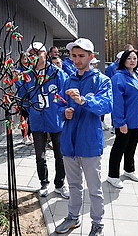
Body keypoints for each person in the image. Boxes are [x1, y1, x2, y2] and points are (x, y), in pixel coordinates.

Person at [55, 38, 113, 236]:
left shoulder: (102, 80)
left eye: (81, 56)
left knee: (94, 188)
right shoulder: (68, 80)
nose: (77, 60)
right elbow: (59, 105)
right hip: (69, 142)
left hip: (89, 142)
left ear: (91, 56)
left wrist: (83, 100)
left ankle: (97, 223)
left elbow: (106, 105)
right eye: (74, 56)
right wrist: (65, 112)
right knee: (73, 185)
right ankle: (73, 217)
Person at [18, 42, 69, 199]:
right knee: (40, 155)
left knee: (60, 155)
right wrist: (31, 110)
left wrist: (61, 111)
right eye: (31, 53)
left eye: (37, 52)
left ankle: (60, 184)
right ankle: (44, 183)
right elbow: (22, 96)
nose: (34, 56)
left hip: (56, 119)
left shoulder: (57, 73)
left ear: (45, 54)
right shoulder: (27, 74)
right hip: (37, 120)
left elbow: (65, 94)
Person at [106, 50, 138, 189]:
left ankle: (129, 169)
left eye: (134, 58)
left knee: (132, 146)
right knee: (119, 147)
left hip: (137, 118)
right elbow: (117, 102)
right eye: (129, 58)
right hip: (126, 120)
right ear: (123, 61)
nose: (132, 61)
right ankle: (112, 175)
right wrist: (120, 121)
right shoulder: (118, 77)